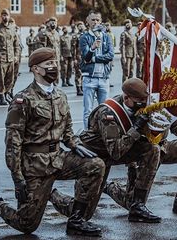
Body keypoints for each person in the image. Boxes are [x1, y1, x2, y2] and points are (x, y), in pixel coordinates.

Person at [0, 48, 106, 236]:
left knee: (95, 165)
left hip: (58, 158)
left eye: (55, 63)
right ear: (36, 69)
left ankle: (76, 221)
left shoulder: (60, 95)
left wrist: (75, 144)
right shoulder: (23, 99)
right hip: (34, 165)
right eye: (48, 64)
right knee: (26, 225)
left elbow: (67, 131)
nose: (54, 67)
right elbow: (13, 143)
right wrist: (17, 178)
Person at [67, 78, 162, 223]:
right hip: (95, 157)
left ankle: (138, 205)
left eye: (144, 100)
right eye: (139, 100)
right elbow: (116, 151)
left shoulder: (139, 108)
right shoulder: (108, 113)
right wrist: (136, 128)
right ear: (126, 98)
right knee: (83, 214)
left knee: (152, 149)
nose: (143, 104)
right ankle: (51, 194)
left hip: (115, 150)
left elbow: (156, 138)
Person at [104, 115, 177, 215]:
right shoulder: (133, 101)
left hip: (162, 146)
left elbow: (176, 125)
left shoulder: (168, 99)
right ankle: (108, 186)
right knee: (133, 204)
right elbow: (118, 144)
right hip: (141, 152)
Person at [79, 11, 114, 129]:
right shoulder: (84, 37)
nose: (95, 22)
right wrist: (92, 48)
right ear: (87, 21)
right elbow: (86, 57)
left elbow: (110, 56)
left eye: (98, 20)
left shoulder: (107, 37)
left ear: (101, 21)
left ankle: (103, 135)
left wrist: (94, 58)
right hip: (89, 78)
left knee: (105, 110)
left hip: (104, 78)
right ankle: (87, 134)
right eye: (93, 20)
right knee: (88, 110)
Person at [0, 9, 21, 105]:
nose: (5, 17)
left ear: (9, 16)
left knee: (10, 78)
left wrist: (16, 56)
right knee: (0, 79)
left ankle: (7, 93)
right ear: (1, 17)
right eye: (3, 15)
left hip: (11, 58)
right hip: (1, 58)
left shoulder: (12, 28)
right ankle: (2, 96)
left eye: (6, 15)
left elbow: (16, 44)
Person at [72, 21, 85, 95]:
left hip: (86, 57)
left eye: (81, 25)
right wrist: (74, 59)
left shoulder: (87, 35)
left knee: (85, 74)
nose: (80, 27)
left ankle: (83, 87)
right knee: (78, 73)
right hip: (78, 57)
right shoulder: (75, 36)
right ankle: (78, 88)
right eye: (79, 25)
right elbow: (73, 48)